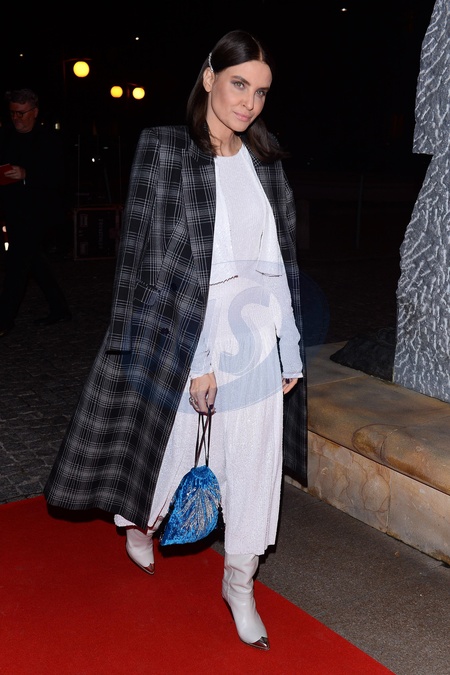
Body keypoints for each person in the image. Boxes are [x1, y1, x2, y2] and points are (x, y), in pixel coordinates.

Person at [44, 29, 307, 651]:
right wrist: (199, 359)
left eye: (261, 91)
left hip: (258, 344)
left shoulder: (266, 164)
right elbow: (149, 264)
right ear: (209, 77)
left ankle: (239, 585)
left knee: (254, 468)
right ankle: (139, 521)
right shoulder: (166, 150)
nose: (248, 101)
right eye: (238, 83)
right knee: (171, 449)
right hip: (190, 337)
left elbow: (277, 266)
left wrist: (290, 348)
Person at [0, 88, 71, 338]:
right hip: (14, 210)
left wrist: (27, 174)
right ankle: (59, 307)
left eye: (21, 113)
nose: (16, 118)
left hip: (40, 212)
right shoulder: (6, 137)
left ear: (35, 112)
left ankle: (4, 319)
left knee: (17, 263)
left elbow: (58, 177)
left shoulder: (48, 139)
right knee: (33, 261)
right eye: (13, 113)